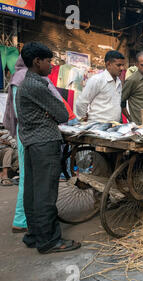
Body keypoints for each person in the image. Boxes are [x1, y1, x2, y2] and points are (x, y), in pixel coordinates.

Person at [16, 42, 80, 254]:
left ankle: (35, 235)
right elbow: (62, 114)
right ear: (37, 62)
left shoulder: (26, 83)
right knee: (45, 194)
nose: (51, 66)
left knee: (34, 192)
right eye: (48, 61)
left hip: (33, 143)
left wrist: (49, 113)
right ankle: (50, 241)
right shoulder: (37, 85)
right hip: (45, 143)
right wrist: (51, 113)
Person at [76, 50, 126, 123]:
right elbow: (81, 102)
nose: (122, 68)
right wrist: (83, 119)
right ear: (108, 64)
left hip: (114, 127)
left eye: (123, 65)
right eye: (118, 65)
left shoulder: (118, 81)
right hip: (97, 126)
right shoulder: (97, 80)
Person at [121, 52, 143, 125]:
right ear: (137, 65)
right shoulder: (132, 80)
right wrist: (129, 118)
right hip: (139, 125)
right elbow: (122, 101)